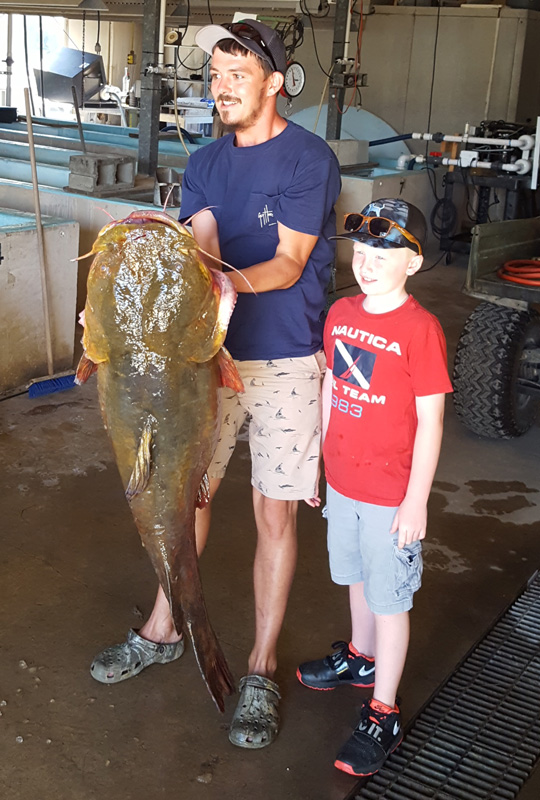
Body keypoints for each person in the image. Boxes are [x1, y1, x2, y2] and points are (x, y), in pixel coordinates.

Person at [90, 19, 341, 750]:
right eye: (215, 75)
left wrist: (211, 297)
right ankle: (166, 626)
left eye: (237, 74)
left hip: (288, 357)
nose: (221, 87)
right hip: (210, 359)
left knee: (275, 512)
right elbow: (197, 250)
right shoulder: (203, 160)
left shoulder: (308, 158)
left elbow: (289, 264)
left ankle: (260, 667)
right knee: (184, 496)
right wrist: (117, 305)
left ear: (274, 82)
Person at [297, 198, 453, 776]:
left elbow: (432, 421)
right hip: (343, 480)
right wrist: (318, 461)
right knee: (356, 577)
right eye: (360, 253)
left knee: (390, 599)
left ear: (412, 264)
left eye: (382, 256)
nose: (366, 264)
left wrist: (416, 500)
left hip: (392, 494)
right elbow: (333, 391)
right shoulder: (341, 314)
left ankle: (383, 710)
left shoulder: (422, 330)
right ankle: (360, 657)